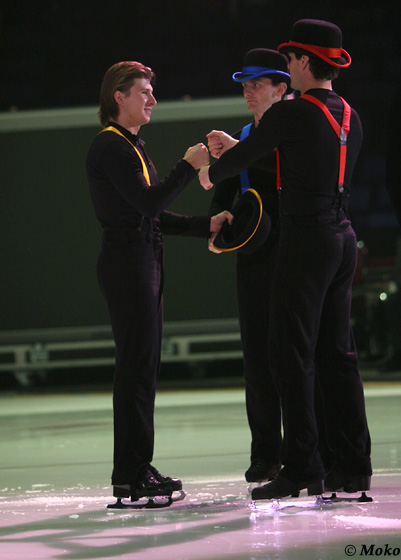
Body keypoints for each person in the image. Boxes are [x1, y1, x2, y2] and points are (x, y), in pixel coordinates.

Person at [200, 19, 372, 500]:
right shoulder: (349, 115)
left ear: (303, 61)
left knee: (289, 353)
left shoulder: (292, 112)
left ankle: (300, 467)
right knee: (338, 354)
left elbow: (236, 165)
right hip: (342, 237)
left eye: (291, 58)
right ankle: (352, 466)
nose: (288, 66)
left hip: (306, 241)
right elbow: (294, 158)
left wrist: (210, 166)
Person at [86, 61, 231, 505]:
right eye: (143, 92)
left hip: (141, 259)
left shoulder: (130, 145)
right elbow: (149, 204)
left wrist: (205, 225)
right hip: (128, 263)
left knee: (142, 369)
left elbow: (152, 215)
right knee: (136, 369)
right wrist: (187, 167)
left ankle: (137, 467)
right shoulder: (111, 145)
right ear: (119, 97)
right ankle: (130, 474)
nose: (152, 98)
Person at [208, 49, 290, 484]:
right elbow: (222, 195)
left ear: (280, 89)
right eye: (245, 85)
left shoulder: (295, 131)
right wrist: (217, 224)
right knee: (257, 358)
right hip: (254, 258)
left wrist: (237, 151)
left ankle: (308, 450)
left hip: (294, 256)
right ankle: (265, 454)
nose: (248, 91)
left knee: (296, 355)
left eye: (257, 84)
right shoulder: (240, 135)